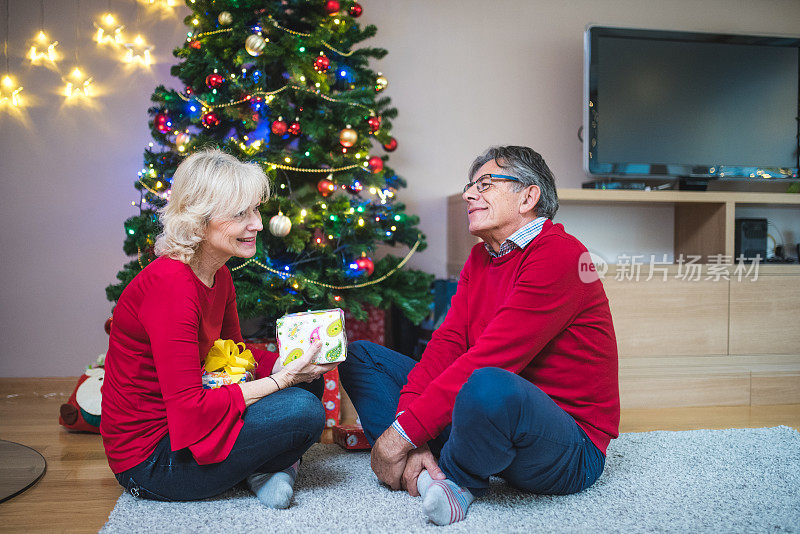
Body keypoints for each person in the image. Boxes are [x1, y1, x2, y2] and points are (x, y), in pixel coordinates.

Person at [339, 145, 619, 525]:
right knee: (361, 357)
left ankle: (454, 479)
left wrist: (399, 434)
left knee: (487, 382)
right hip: (490, 417)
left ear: (528, 197)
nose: (470, 194)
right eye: (471, 185)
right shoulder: (481, 257)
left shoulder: (561, 255)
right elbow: (448, 343)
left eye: (485, 184)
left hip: (568, 445)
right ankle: (423, 459)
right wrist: (410, 429)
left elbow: (492, 358)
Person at [101, 149, 339, 508]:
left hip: (191, 424)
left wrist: (284, 363)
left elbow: (231, 354)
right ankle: (271, 469)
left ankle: (264, 468)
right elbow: (188, 408)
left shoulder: (218, 273)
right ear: (199, 221)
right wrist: (281, 380)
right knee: (302, 410)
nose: (257, 224)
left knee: (309, 374)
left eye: (255, 210)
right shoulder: (171, 285)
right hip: (153, 459)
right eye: (240, 214)